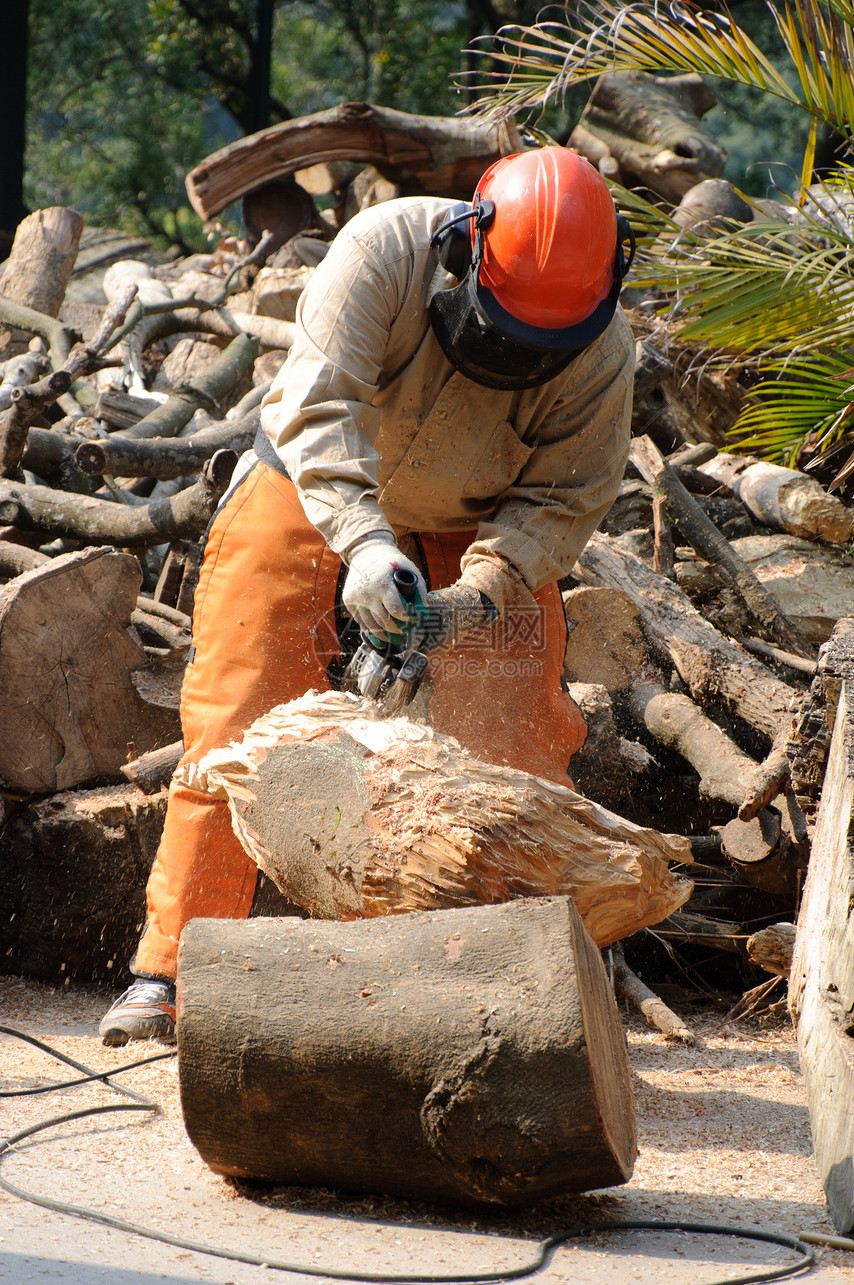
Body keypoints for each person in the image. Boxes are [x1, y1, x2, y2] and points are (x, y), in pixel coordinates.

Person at [99, 145, 636, 1046]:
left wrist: (474, 599)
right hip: (317, 486)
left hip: (476, 525)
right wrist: (365, 545)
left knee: (515, 736)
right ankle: (171, 968)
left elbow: (564, 499)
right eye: (501, 327)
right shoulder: (384, 251)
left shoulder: (601, 352)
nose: (514, 353)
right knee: (240, 709)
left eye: (538, 344)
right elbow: (320, 408)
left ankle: (511, 974)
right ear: (468, 252)